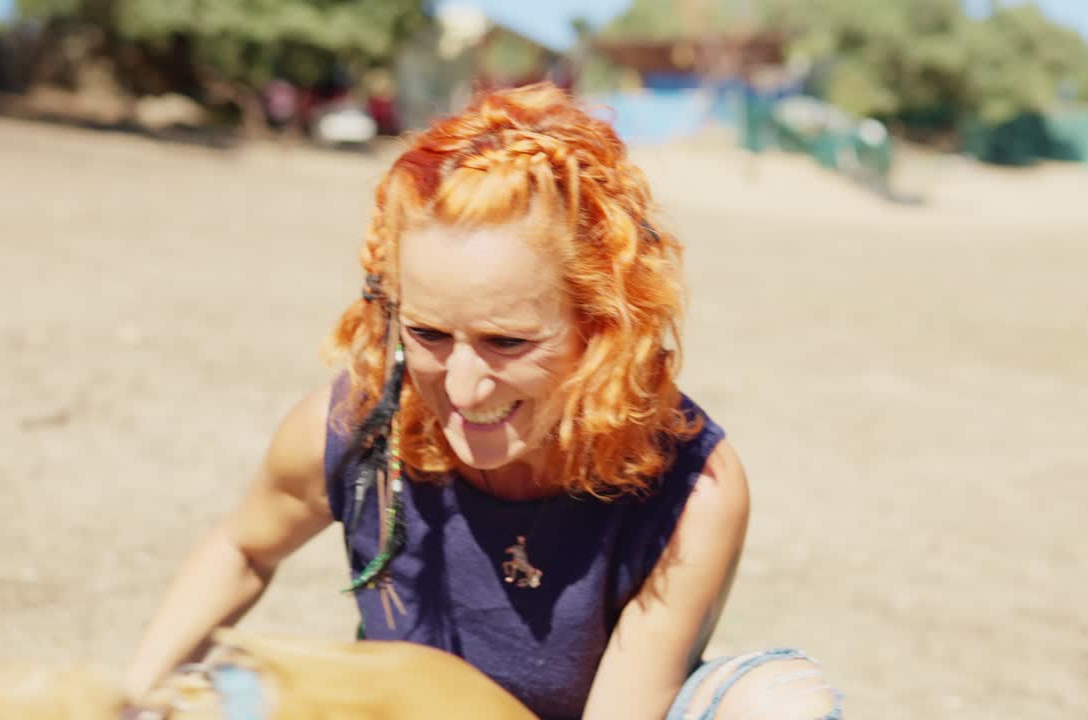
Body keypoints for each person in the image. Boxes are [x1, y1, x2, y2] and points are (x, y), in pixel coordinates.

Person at [125, 82, 842, 720]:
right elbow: (243, 550)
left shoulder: (692, 491)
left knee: (780, 703)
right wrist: (128, 703)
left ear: (603, 325)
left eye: (507, 342)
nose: (463, 391)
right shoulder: (354, 425)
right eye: (429, 334)